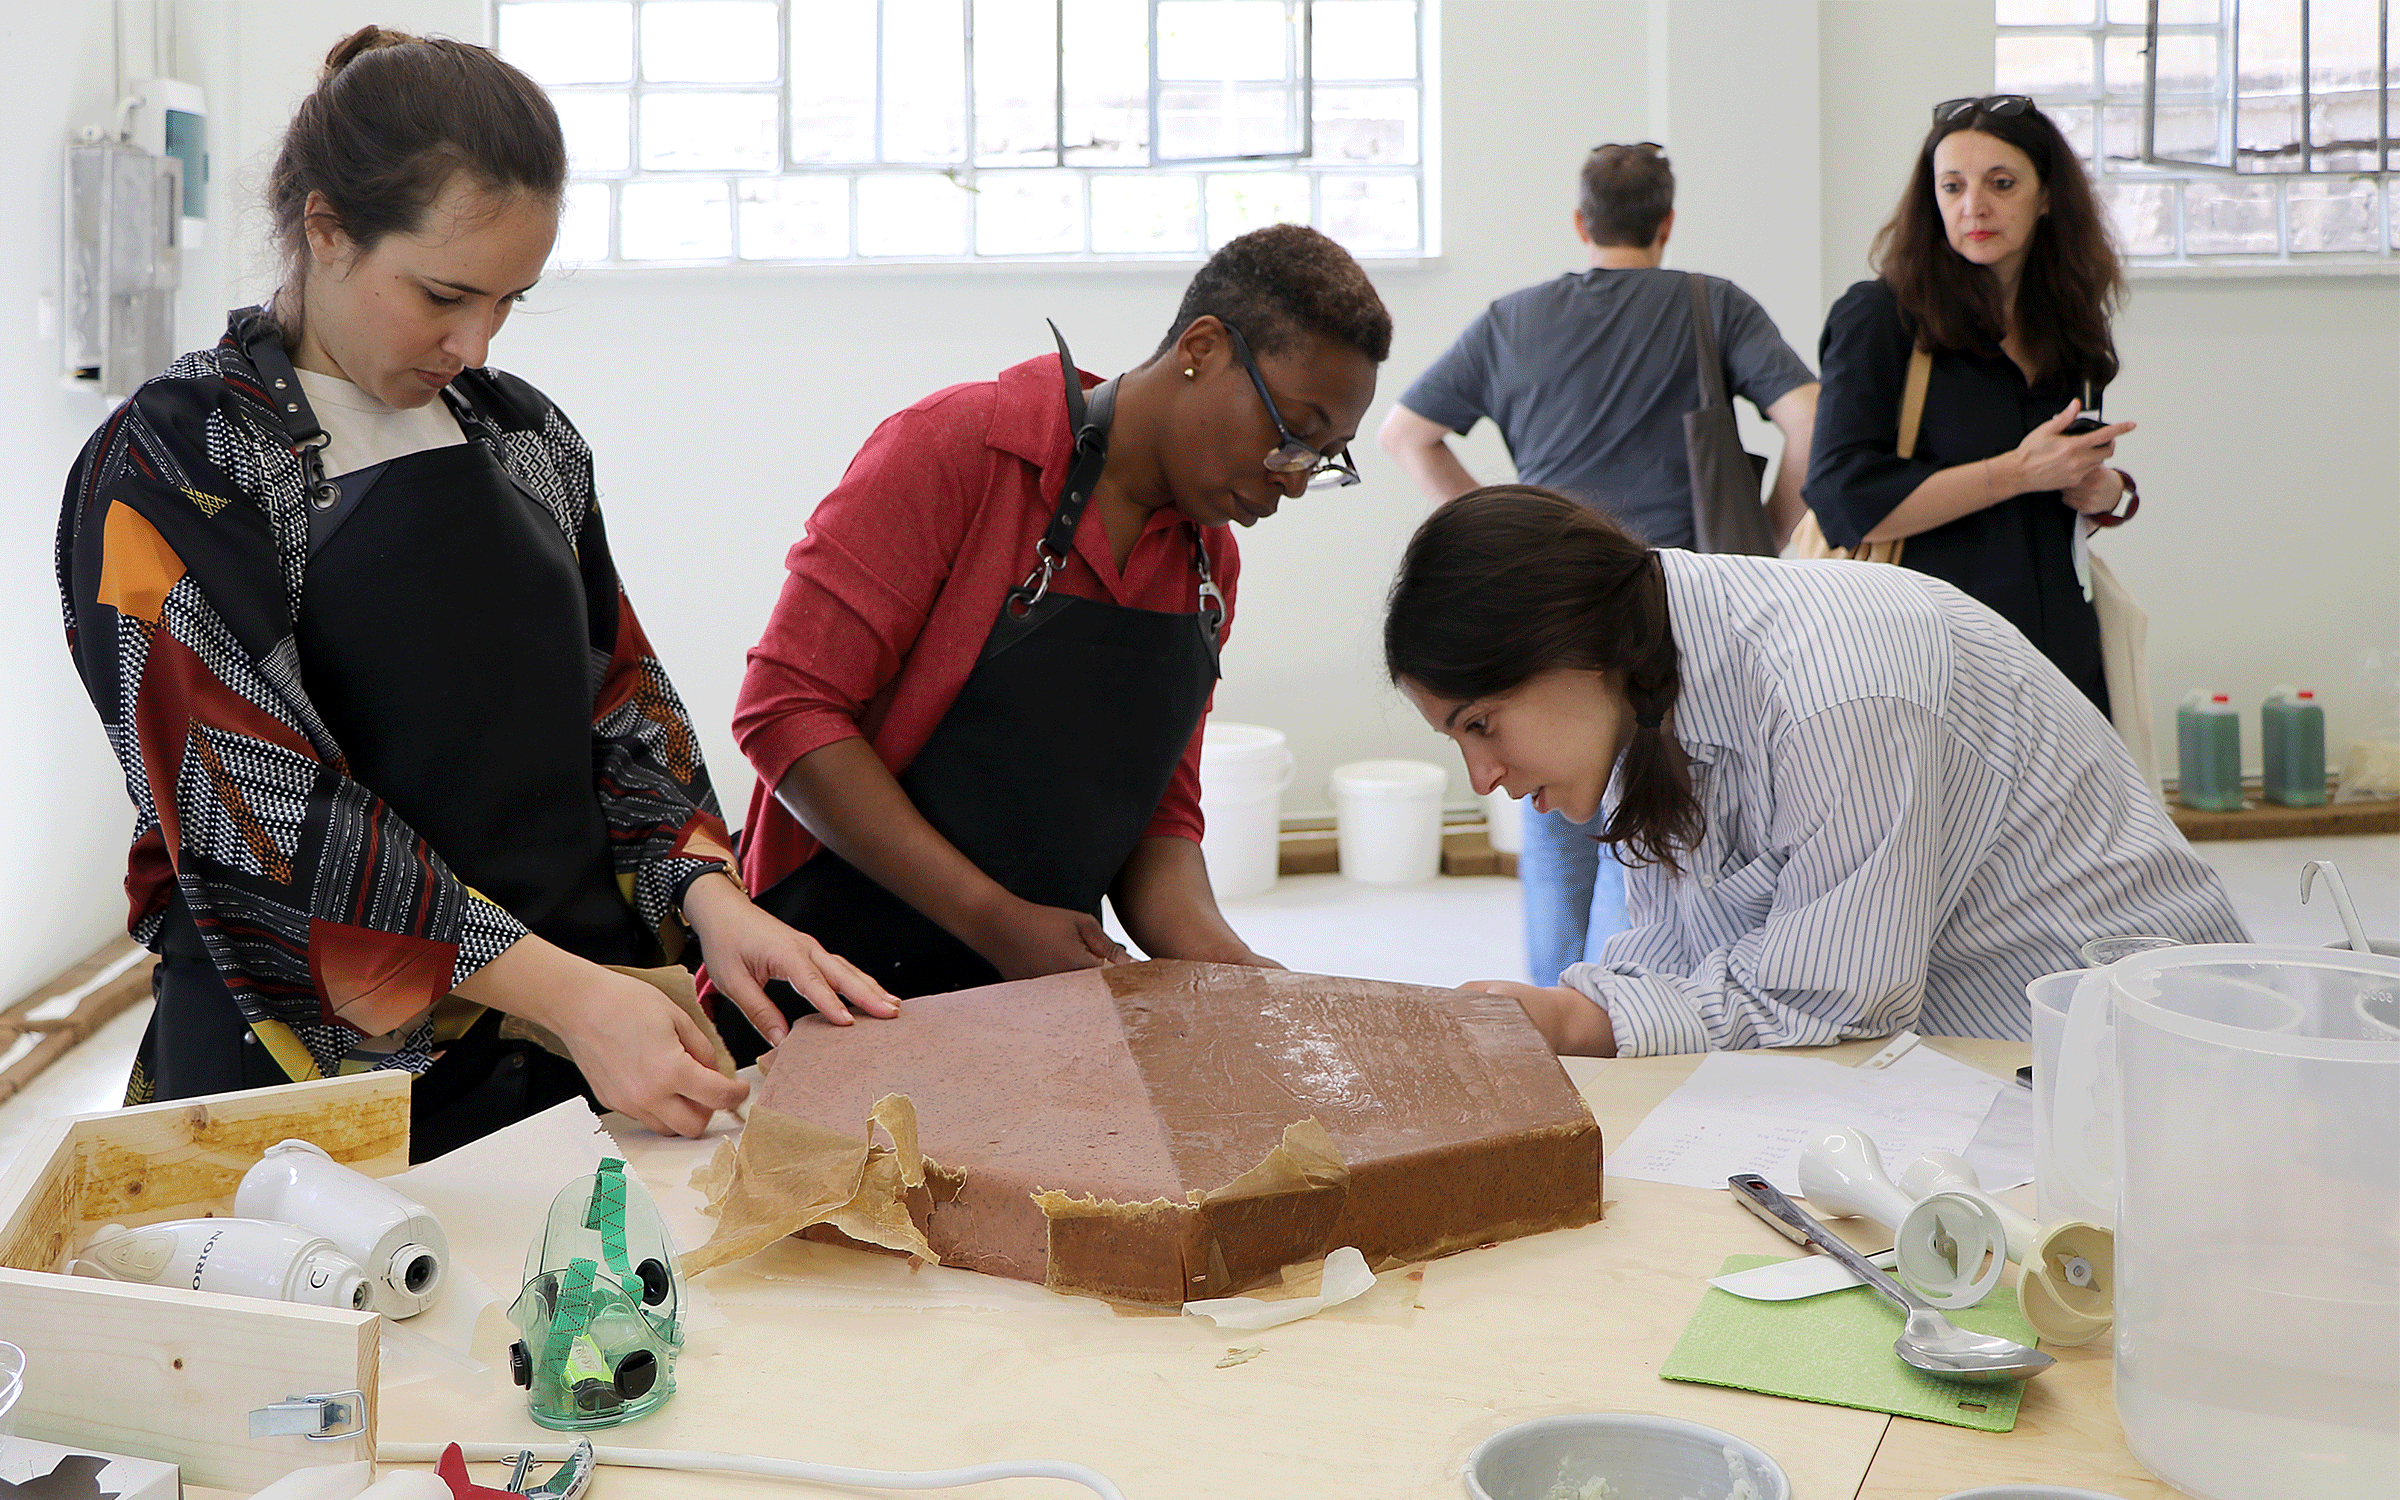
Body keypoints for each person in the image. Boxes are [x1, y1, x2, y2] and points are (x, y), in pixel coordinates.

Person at [56, 28, 894, 1159]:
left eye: (511, 299)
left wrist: (711, 901)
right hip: (318, 1093)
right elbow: (260, 815)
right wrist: (567, 995)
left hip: (582, 1058)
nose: (473, 340)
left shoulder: (522, 435)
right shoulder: (178, 466)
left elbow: (618, 701)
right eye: (445, 293)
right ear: (326, 227)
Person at [729, 225, 1388, 1015]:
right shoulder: (960, 452)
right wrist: (993, 921)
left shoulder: (1208, 565)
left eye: (1322, 459)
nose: (1289, 482)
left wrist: (1232, 970)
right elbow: (786, 712)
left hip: (1032, 1007)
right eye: (1293, 434)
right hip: (827, 988)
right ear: (1202, 349)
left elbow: (1159, 817)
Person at [1384, 486, 2247, 1057]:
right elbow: (1676, 952)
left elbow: (1837, 1000)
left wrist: (1584, 1020)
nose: (1483, 776)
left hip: (2140, 1050)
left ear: (1570, 644)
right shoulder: (1642, 698)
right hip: (1963, 1059)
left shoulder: (1836, 690)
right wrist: (1571, 1010)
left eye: (1481, 723)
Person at [1378, 142, 1821, 992]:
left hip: (1542, 621)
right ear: (1666, 224)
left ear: (1582, 223)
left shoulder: (1513, 320)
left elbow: (1406, 434)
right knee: (1648, 834)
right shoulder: (1710, 303)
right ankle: (1618, 1028)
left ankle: (1555, 1032)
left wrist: (1503, 540)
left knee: (1547, 820)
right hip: (1667, 622)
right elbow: (1808, 416)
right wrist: (1766, 530)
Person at [1805, 96, 2137, 716]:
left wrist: (2108, 494)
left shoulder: (2070, 323)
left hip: (2059, 654)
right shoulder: (1882, 319)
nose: (1973, 207)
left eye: (2001, 184)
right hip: (1925, 657)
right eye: (1952, 186)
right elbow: (1843, 500)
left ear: (2045, 197)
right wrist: (2018, 472)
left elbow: (2061, 488)